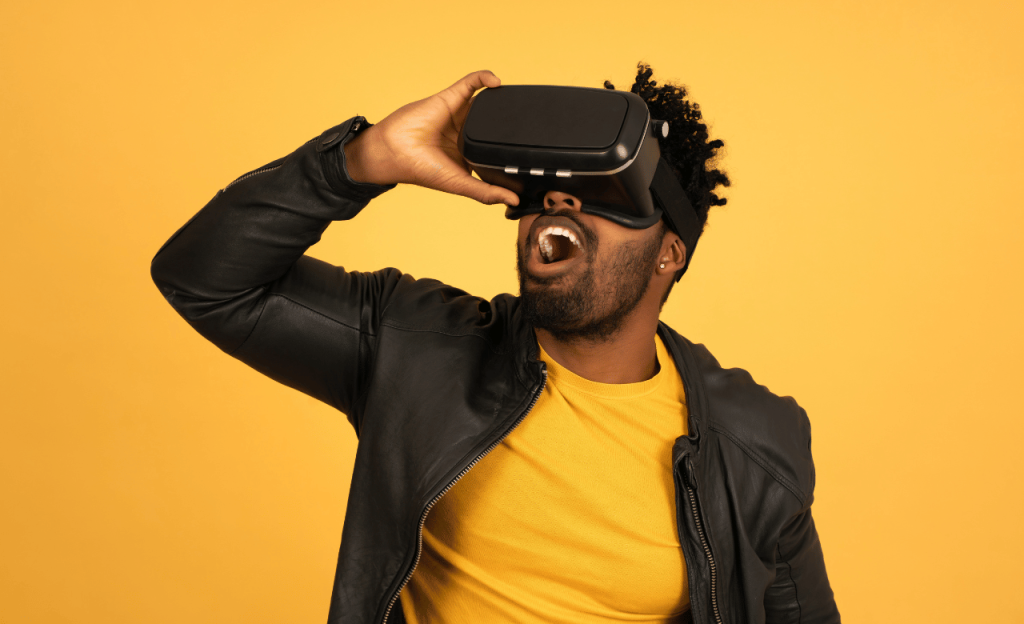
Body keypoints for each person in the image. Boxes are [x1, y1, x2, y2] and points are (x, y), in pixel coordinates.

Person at [151, 64, 840, 624]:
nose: (561, 203)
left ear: (668, 254)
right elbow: (205, 279)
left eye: (601, 189)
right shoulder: (417, 347)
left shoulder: (756, 445)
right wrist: (364, 160)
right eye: (545, 186)